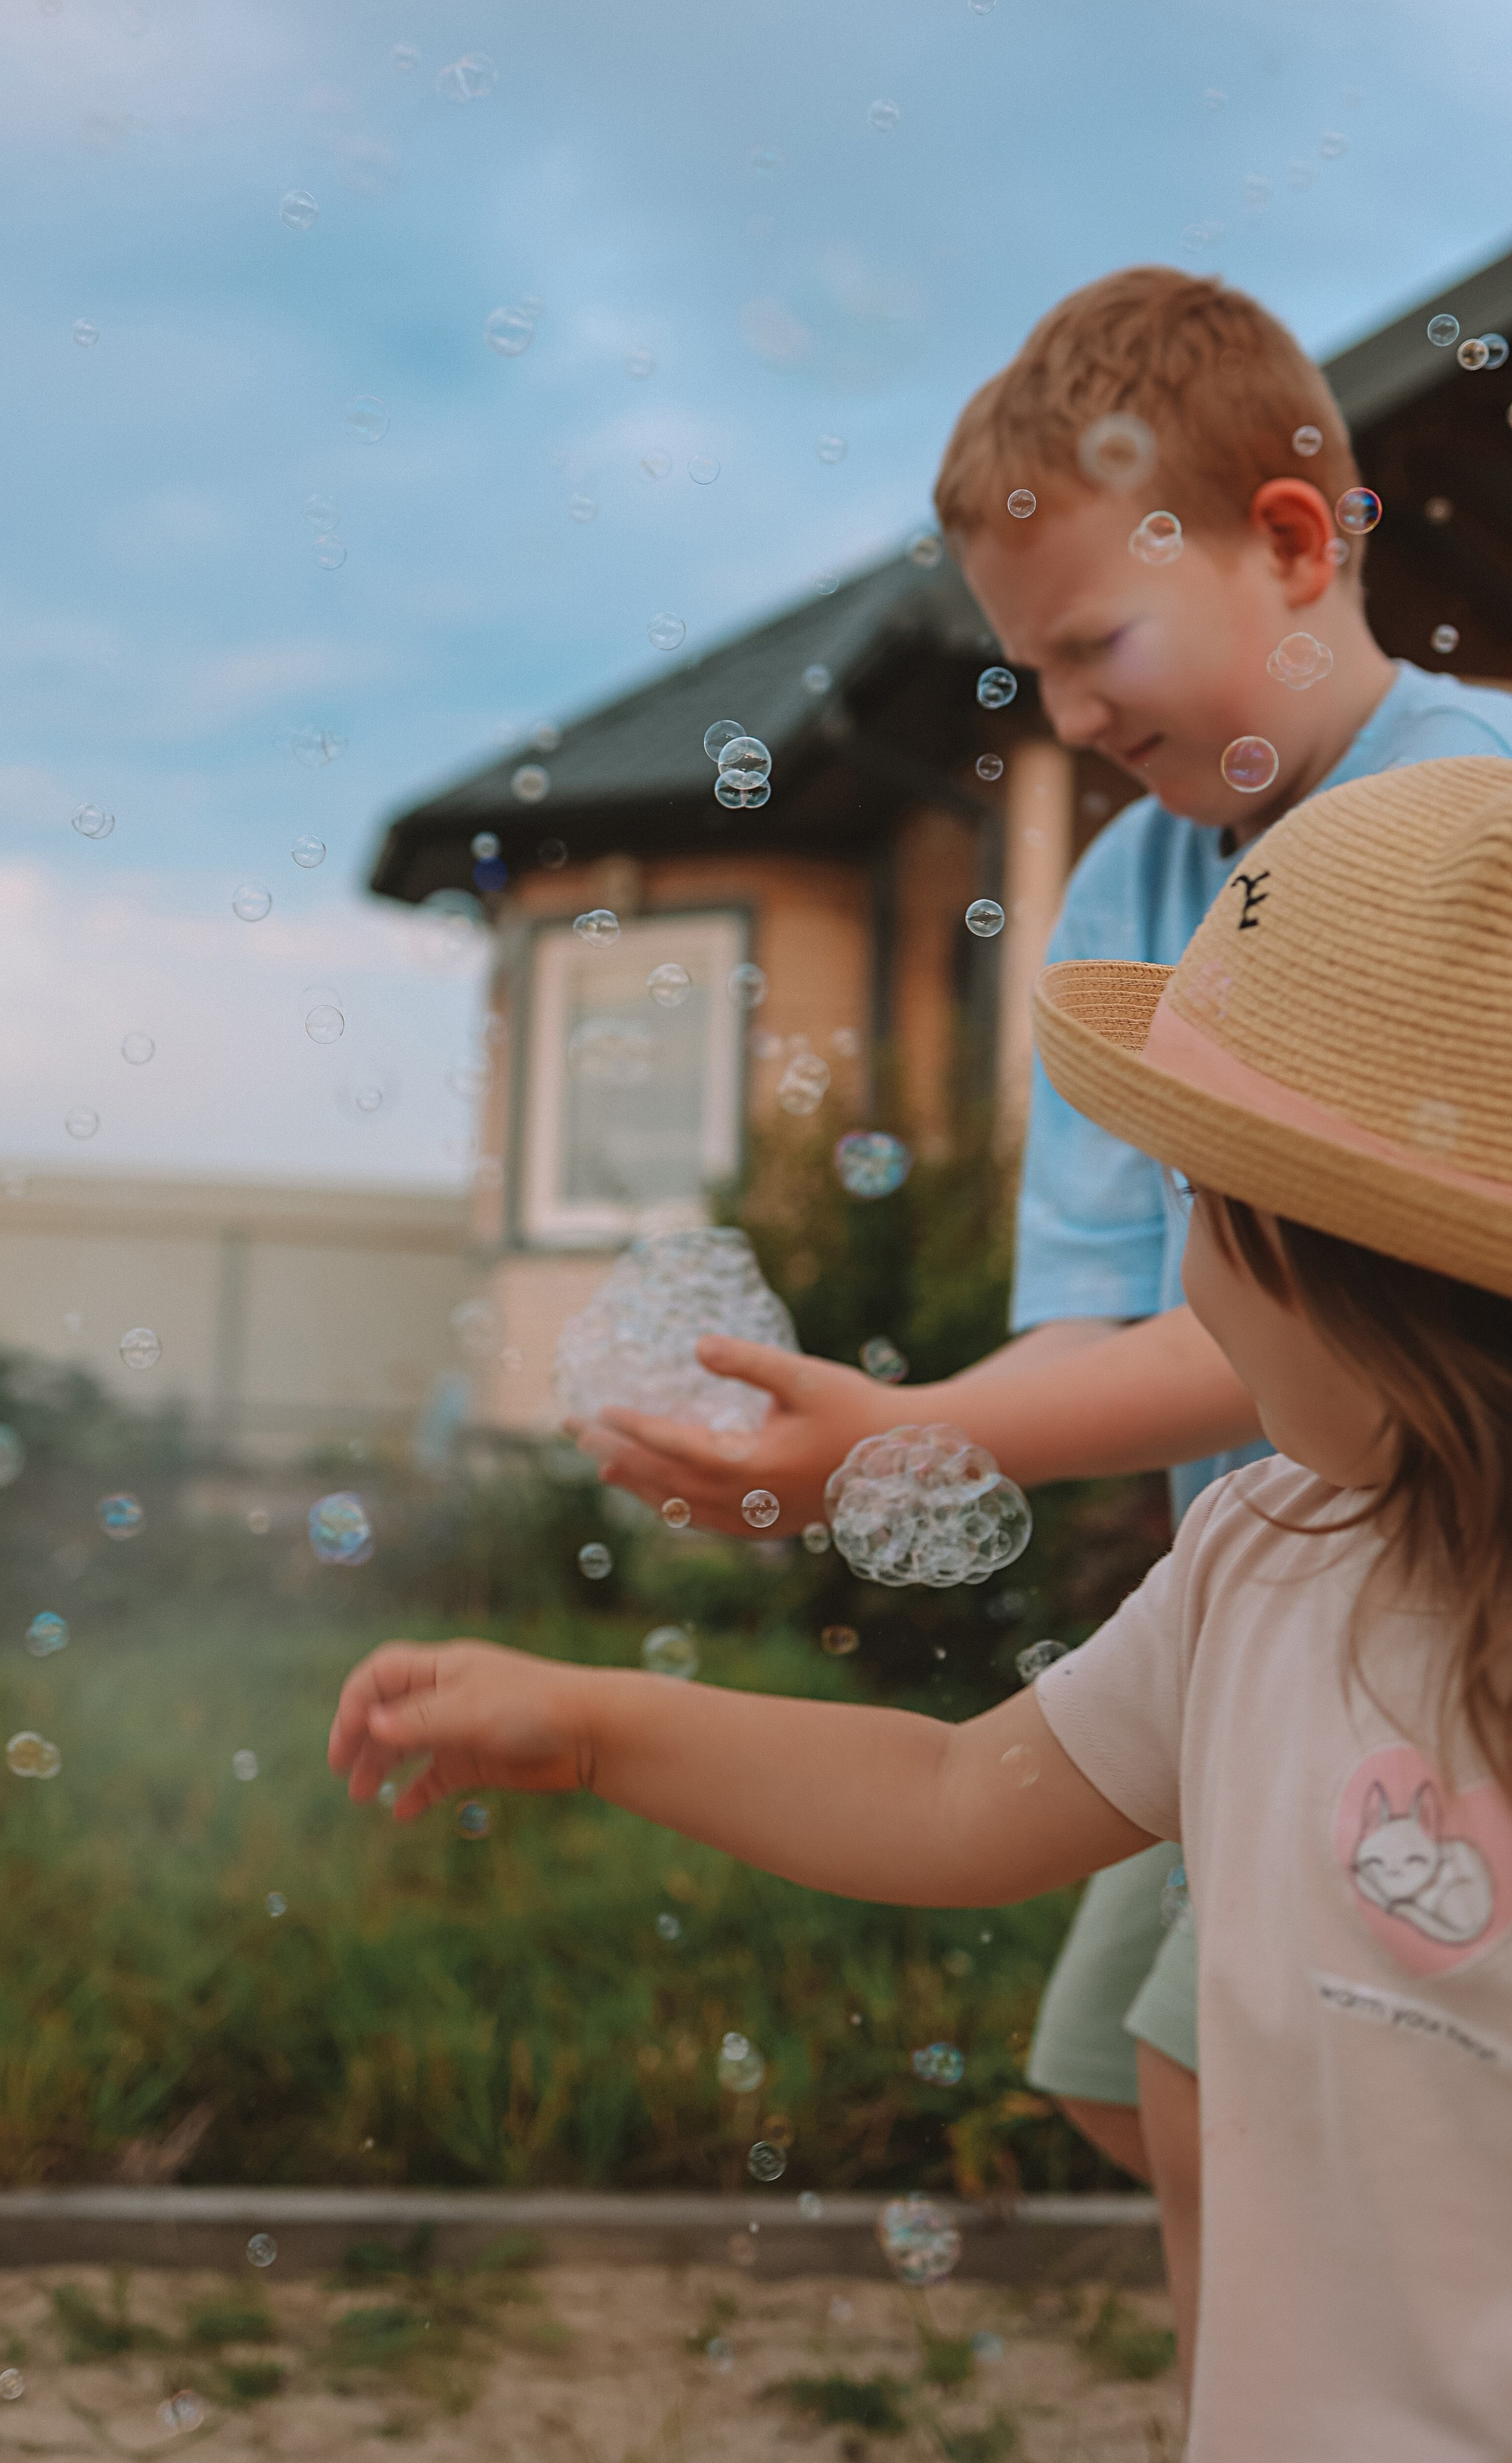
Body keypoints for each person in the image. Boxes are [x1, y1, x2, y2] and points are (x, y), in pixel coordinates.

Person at [331, 756, 1512, 2455]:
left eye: (1201, 1202)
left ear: (1353, 1266)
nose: (1176, 1267)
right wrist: (593, 1727)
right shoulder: (1259, 1559)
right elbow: (957, 1796)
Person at [563, 267, 1512, 2371]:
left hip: (1443, 1609)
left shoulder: (1468, 845)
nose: (1066, 716)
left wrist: (927, 1436)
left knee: (1206, 2074)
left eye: (1092, 645)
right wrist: (868, 1441)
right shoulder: (1138, 891)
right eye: (1029, 666)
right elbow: (1107, 1323)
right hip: (1249, 1613)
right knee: (1115, 2064)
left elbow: (1329, 1299)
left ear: (1289, 542)